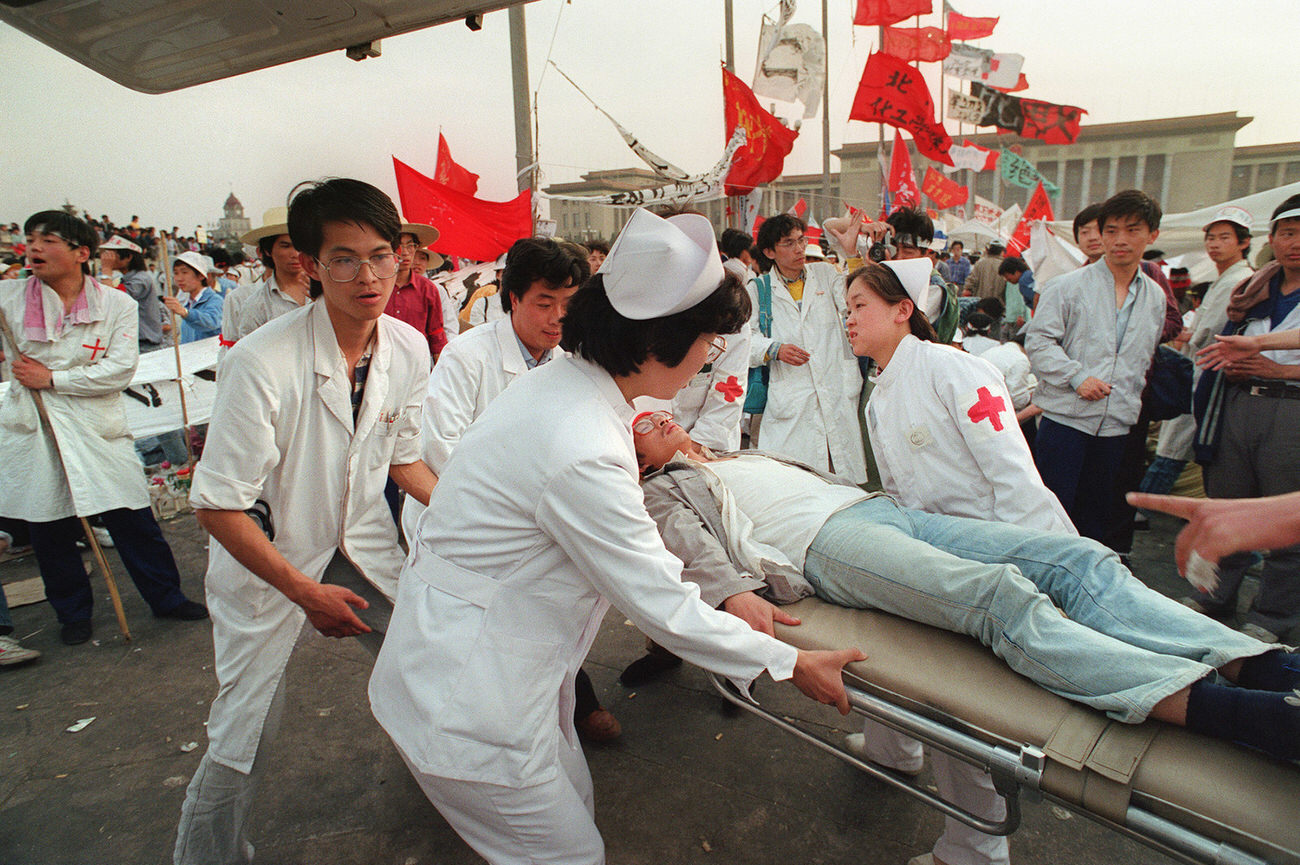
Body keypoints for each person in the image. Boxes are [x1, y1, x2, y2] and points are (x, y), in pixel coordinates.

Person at [370, 208, 863, 865]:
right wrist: (789, 662)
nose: (707, 361)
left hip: (506, 674)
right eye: (708, 342)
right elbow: (660, 600)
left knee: (573, 812)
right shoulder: (581, 438)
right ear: (661, 338)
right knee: (568, 853)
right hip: (469, 701)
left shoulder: (567, 388)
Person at [633, 422, 1300, 757]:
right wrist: (734, 594)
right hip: (825, 543)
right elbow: (692, 547)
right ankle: (1223, 710)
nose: (655, 417)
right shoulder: (663, 487)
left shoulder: (741, 450)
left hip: (878, 510)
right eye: (639, 425)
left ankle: (1258, 662)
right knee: (998, 596)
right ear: (634, 459)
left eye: (658, 412)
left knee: (1076, 559)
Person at [173, 179, 438, 865]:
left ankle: (454, 789)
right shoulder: (261, 361)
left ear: (403, 257)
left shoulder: (407, 348)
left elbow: (404, 460)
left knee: (430, 661)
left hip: (359, 542)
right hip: (271, 554)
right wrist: (303, 591)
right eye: (344, 258)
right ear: (310, 264)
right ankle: (208, 855)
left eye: (382, 255)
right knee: (246, 730)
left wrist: (486, 514)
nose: (368, 275)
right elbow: (217, 502)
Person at [397, 237, 621, 742]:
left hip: (535, 522)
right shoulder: (466, 358)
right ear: (512, 297)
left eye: (569, 305)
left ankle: (559, 707)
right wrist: (526, 502)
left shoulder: (572, 358)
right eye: (544, 303)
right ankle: (468, 734)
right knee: (477, 643)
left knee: (539, 625)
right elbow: (442, 450)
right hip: (469, 525)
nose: (558, 318)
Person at [0, 211, 207, 647]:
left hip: (95, 425)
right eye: (30, 238)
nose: (35, 247)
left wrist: (54, 379)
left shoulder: (116, 304)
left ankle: (166, 597)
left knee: (131, 516)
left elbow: (118, 370)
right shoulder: (8, 299)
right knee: (49, 525)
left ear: (81, 253)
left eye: (49, 239)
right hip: (35, 425)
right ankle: (72, 612)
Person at [1187, 194, 1300, 643]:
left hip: (1290, 408)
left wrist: (1280, 369)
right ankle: (1214, 597)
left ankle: (1273, 616)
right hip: (1238, 403)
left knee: (1283, 519)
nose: (1296, 244)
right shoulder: (1255, 289)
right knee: (1229, 507)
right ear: (1272, 240)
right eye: (1289, 234)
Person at [1026, 191, 1168, 544]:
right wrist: (1077, 377)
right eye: (1112, 230)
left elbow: (1143, 357)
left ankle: (1086, 586)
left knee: (1097, 513)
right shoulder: (1066, 287)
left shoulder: (1155, 297)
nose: (1120, 240)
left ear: (1152, 235)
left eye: (1133, 230)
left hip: (1117, 423)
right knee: (1052, 511)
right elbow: (1039, 343)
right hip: (1065, 419)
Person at [1139, 206, 1254, 498]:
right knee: (1179, 442)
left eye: (1224, 238)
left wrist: (1183, 334)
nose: (1214, 244)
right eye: (1211, 238)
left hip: (1210, 369)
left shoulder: (1238, 279)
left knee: (1178, 445)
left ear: (1243, 242)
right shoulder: (1226, 278)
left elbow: (1208, 331)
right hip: (1201, 365)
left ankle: (1144, 505)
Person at [745, 213, 866, 482]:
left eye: (801, 240)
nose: (799, 249)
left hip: (835, 387)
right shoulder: (759, 289)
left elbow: (856, 298)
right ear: (769, 251)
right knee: (797, 480)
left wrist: (851, 253)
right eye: (789, 243)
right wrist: (774, 349)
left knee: (842, 474)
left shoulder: (824, 274)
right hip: (790, 396)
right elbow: (744, 339)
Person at [218, 207, 310, 366]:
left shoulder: (330, 292)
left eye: (299, 245)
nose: (295, 253)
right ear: (267, 251)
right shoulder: (256, 305)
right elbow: (250, 360)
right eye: (285, 246)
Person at [384, 222, 448, 364]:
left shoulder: (428, 289)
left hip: (417, 363)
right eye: (398, 245)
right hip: (381, 362)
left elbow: (436, 336)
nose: (405, 252)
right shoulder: (378, 285)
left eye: (410, 245)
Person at [99, 234, 166, 353]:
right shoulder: (127, 278)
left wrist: (106, 270)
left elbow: (111, 299)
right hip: (135, 343)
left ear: (128, 257)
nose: (107, 258)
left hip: (145, 345)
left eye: (112, 254)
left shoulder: (140, 280)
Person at [162, 251, 223, 343]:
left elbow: (211, 322)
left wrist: (185, 313)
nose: (179, 278)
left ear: (201, 276)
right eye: (176, 273)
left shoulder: (215, 300)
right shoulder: (188, 303)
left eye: (184, 272)